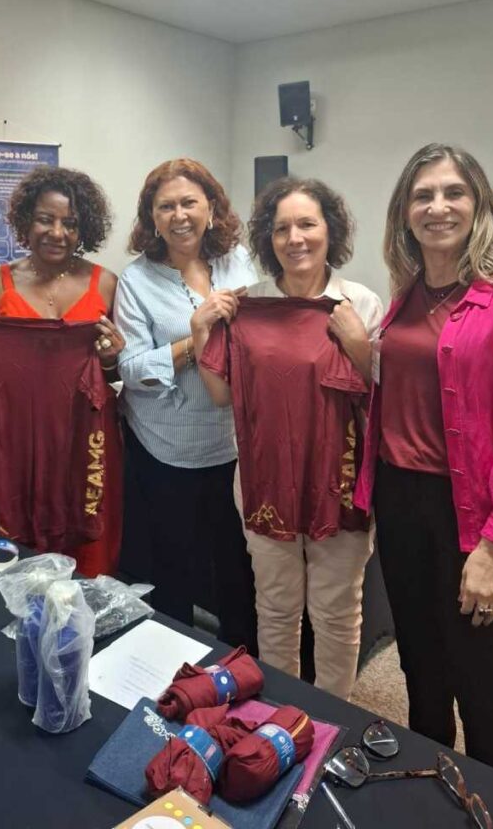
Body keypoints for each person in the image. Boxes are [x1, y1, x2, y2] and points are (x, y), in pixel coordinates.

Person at [355, 143, 493, 776]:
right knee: (420, 664)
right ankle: (428, 793)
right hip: (400, 500)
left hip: (472, 511)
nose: (437, 206)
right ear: (405, 213)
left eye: (453, 192)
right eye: (423, 195)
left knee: (481, 676)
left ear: (478, 205)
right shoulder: (408, 294)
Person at [193, 176, 383, 700]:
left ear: (330, 230)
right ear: (268, 238)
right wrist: (201, 330)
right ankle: (279, 709)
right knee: (275, 608)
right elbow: (220, 395)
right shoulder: (247, 305)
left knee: (337, 612)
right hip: (265, 482)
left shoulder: (359, 304)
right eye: (281, 228)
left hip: (339, 484)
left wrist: (358, 345)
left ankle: (333, 714)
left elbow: (386, 397)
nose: (295, 238)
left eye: (307, 224)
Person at [0, 165, 124, 575]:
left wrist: (111, 359)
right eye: (45, 219)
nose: (57, 232)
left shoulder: (105, 283)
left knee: (87, 542)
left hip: (84, 431)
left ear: (84, 229)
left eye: (70, 223)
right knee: (17, 537)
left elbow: (115, 375)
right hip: (13, 435)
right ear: (25, 221)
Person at [115, 158, 258, 653]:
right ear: (151, 218)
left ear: (211, 208)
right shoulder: (136, 280)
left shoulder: (240, 262)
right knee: (173, 567)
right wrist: (196, 338)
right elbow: (131, 369)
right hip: (166, 449)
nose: (179, 215)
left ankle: (243, 662)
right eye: (165, 206)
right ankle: (173, 664)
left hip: (234, 443)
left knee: (239, 565)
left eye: (189, 202)